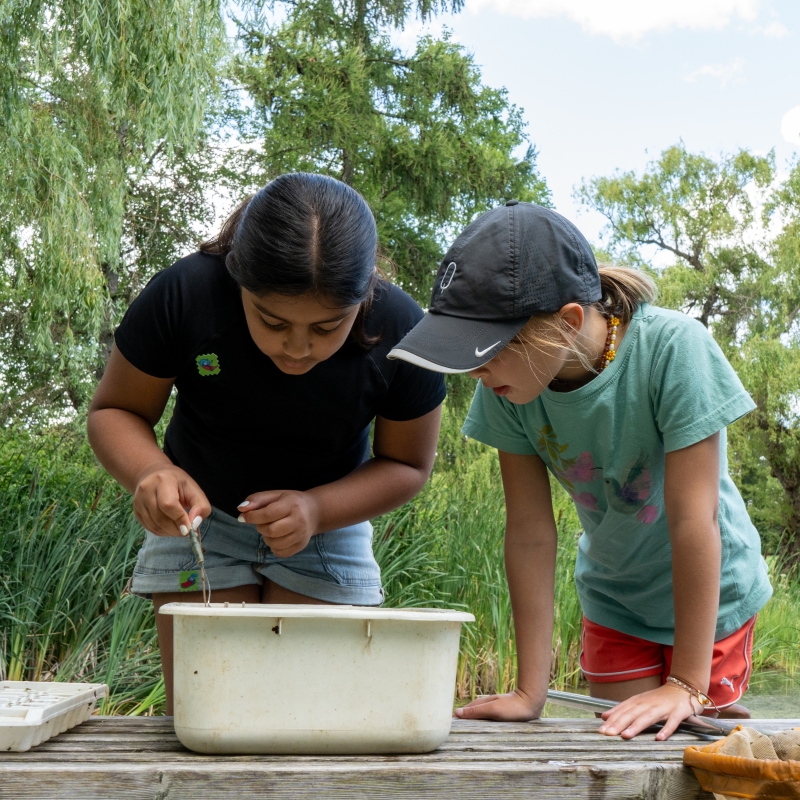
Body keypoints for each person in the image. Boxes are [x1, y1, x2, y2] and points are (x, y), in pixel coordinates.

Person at [388, 200, 772, 739]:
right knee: (620, 747)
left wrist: (688, 681)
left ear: (566, 323)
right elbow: (529, 534)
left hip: (715, 600)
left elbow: (694, 521)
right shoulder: (507, 386)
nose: (475, 371)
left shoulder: (673, 351)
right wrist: (529, 691)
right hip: (614, 598)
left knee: (692, 746)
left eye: (488, 351)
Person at [88, 173, 446, 712]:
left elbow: (407, 464)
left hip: (328, 528)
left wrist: (317, 509)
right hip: (198, 525)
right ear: (238, 282)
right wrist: (149, 472)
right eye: (272, 320)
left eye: (328, 328)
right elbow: (115, 411)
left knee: (310, 720)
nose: (298, 347)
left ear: (364, 297)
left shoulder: (402, 330)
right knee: (208, 712)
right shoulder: (186, 294)